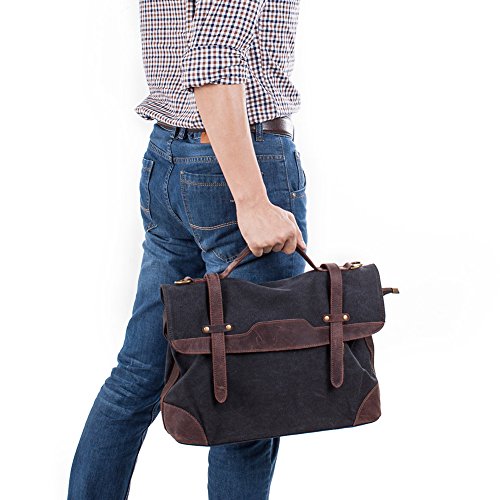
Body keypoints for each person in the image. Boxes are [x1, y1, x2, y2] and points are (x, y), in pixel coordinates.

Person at [68, 0, 307, 498]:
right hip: (237, 163)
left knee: (139, 374)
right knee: (250, 398)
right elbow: (213, 61)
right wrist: (252, 200)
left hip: (169, 158)